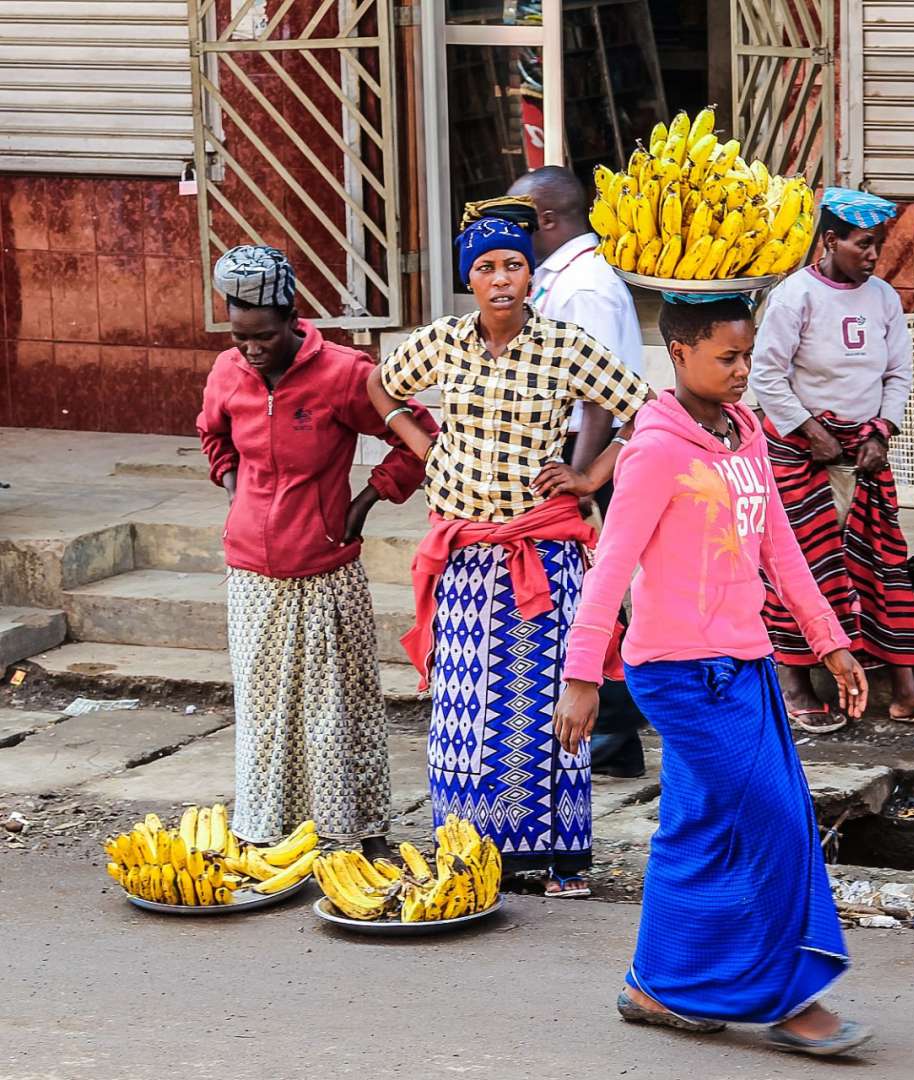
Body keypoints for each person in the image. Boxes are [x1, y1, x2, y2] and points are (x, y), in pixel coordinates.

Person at [556, 296, 874, 1057]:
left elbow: (782, 553)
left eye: (747, 354)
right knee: (774, 818)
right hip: (679, 672)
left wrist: (830, 641)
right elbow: (612, 567)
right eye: (727, 357)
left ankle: (654, 985)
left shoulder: (748, 434)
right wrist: (581, 674)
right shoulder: (653, 449)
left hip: (747, 662)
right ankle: (788, 997)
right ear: (679, 352)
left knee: (695, 829)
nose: (742, 370)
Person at [364, 200, 654, 897]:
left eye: (514, 266)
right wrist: (423, 443)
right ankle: (469, 857)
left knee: (545, 710)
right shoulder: (442, 342)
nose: (501, 279)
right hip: (464, 560)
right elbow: (379, 384)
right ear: (472, 277)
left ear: (531, 277)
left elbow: (645, 409)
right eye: (488, 267)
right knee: (464, 719)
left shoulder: (564, 345)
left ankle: (556, 863)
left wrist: (588, 475)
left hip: (541, 557)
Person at [196, 245, 435, 859]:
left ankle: (350, 833)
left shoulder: (345, 373)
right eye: (239, 336)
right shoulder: (227, 372)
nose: (251, 349)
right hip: (251, 572)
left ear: (290, 318)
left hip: (325, 570)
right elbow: (211, 433)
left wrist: (365, 503)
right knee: (262, 710)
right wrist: (235, 489)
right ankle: (268, 832)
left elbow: (418, 436)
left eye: (263, 336)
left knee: (334, 710)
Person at [749, 187, 914, 734]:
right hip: (801, 455)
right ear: (830, 241)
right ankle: (794, 685)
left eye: (877, 245)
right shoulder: (794, 297)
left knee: (883, 567)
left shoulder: (884, 299)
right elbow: (766, 377)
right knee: (798, 571)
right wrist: (811, 432)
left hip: (865, 455)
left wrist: (881, 431)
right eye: (863, 245)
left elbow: (898, 375)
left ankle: (905, 691)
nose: (872, 256)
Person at [509, 165, 649, 778]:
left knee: (601, 594)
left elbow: (597, 392)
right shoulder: (561, 279)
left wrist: (581, 476)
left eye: (517, 216)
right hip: (577, 453)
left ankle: (613, 731)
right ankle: (611, 735)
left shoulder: (584, 287)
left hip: (589, 456)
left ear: (546, 218)